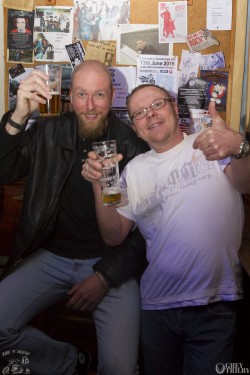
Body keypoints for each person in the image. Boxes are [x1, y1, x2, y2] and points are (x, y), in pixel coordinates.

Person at [82, 83, 250, 375]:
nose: (151, 115)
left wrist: (239, 145)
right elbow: (114, 235)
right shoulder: (134, 169)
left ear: (173, 106)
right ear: (135, 128)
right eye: (139, 113)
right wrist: (98, 185)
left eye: (157, 105)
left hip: (214, 304)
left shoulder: (209, 142)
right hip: (156, 307)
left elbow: (245, 183)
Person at [0, 61, 149, 375]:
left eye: (99, 95)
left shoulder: (132, 145)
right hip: (51, 256)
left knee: (121, 368)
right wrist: (17, 115)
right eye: (82, 94)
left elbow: (145, 230)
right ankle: (70, 360)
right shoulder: (47, 131)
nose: (90, 105)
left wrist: (105, 276)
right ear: (69, 96)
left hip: (110, 261)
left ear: (112, 96)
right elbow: (4, 170)